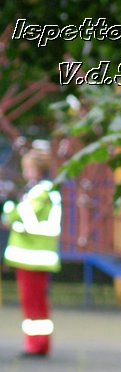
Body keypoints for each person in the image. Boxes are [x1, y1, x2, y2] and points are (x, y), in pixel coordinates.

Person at [2, 144, 62, 357]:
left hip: (32, 256)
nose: (25, 172)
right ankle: (38, 343)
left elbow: (20, 216)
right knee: (37, 303)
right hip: (35, 256)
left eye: (28, 168)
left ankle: (36, 345)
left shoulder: (40, 192)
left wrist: (9, 209)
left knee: (33, 303)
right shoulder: (43, 190)